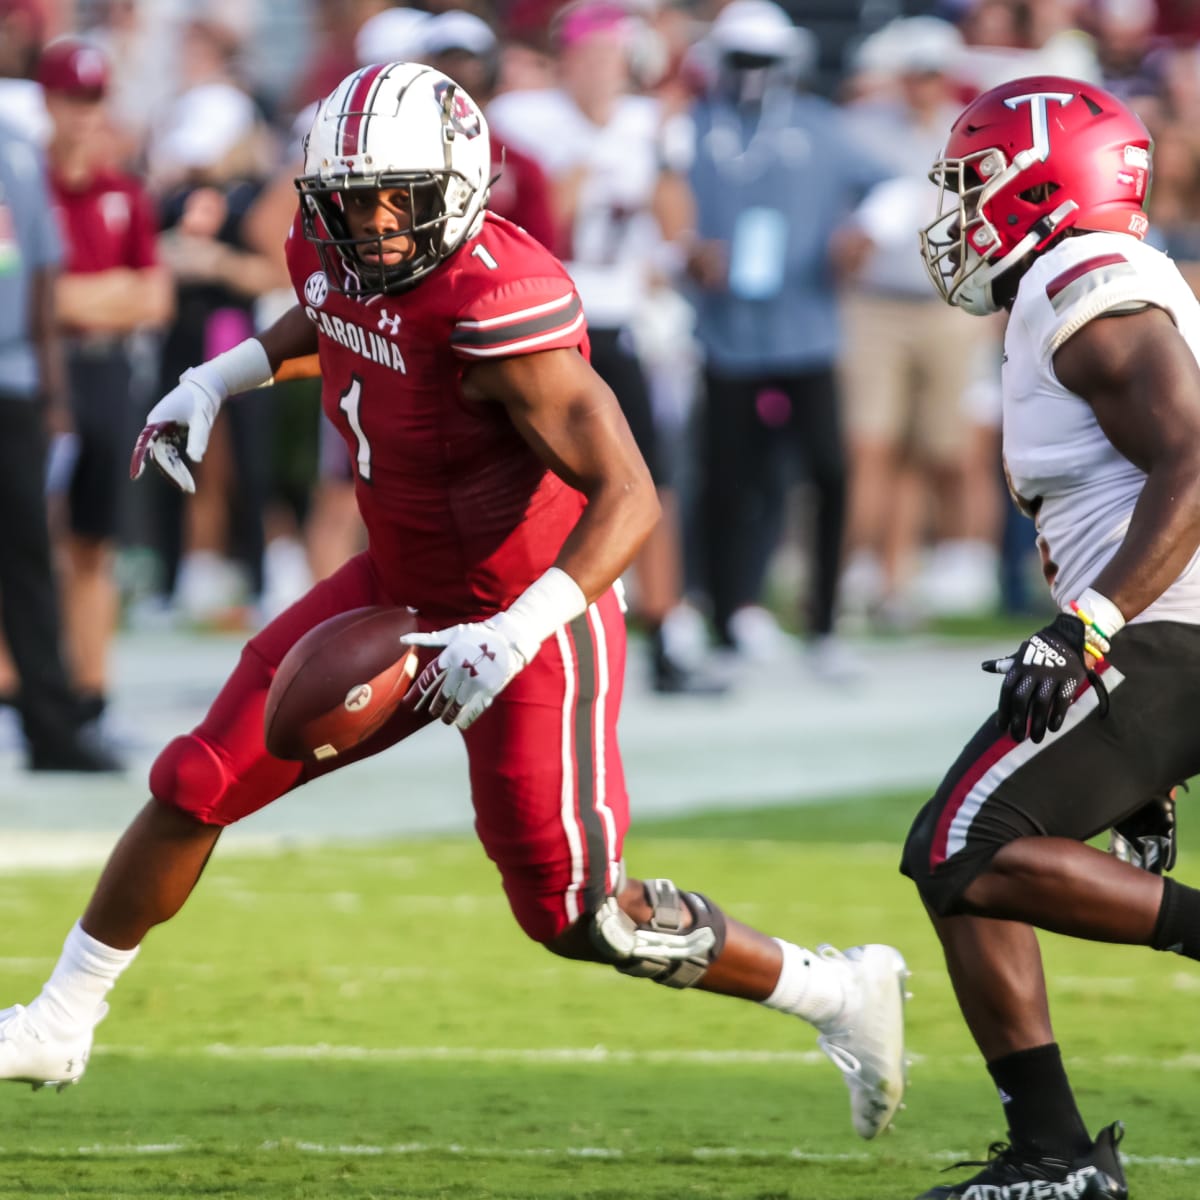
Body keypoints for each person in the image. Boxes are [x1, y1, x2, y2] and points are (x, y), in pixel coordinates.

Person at [0, 62, 908, 1141]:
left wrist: (514, 632)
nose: (374, 226)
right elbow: (326, 311)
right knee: (196, 778)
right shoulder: (339, 250)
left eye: (400, 200)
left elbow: (631, 497)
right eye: (350, 202)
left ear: (462, 187)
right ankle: (62, 1017)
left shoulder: (500, 302)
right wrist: (218, 378)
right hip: (396, 583)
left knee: (579, 919)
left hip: (533, 616)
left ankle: (837, 991)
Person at [903, 74, 1200, 1198]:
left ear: (1042, 183)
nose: (961, 212)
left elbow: (1195, 456)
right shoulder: (1084, 283)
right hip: (1167, 630)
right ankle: (1053, 1157)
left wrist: (1092, 626)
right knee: (963, 866)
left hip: (1169, 627)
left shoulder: (1085, 276)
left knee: (961, 847)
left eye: (974, 183)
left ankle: (1057, 1156)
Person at [39, 35, 173, 727]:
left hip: (106, 370)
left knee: (96, 540)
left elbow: (154, 298)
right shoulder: (26, 186)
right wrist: (104, 292)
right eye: (72, 99)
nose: (84, 115)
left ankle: (91, 689)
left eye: (94, 100)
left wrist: (73, 297)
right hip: (44, 372)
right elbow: (34, 300)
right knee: (32, 537)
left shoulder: (123, 192)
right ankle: (24, 686)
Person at [0, 116, 122, 773]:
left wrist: (54, 395)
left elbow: (41, 276)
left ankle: (52, 725)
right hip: (15, 381)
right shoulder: (16, 151)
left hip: (12, 379)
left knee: (28, 561)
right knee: (27, 564)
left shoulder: (14, 151)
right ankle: (50, 728)